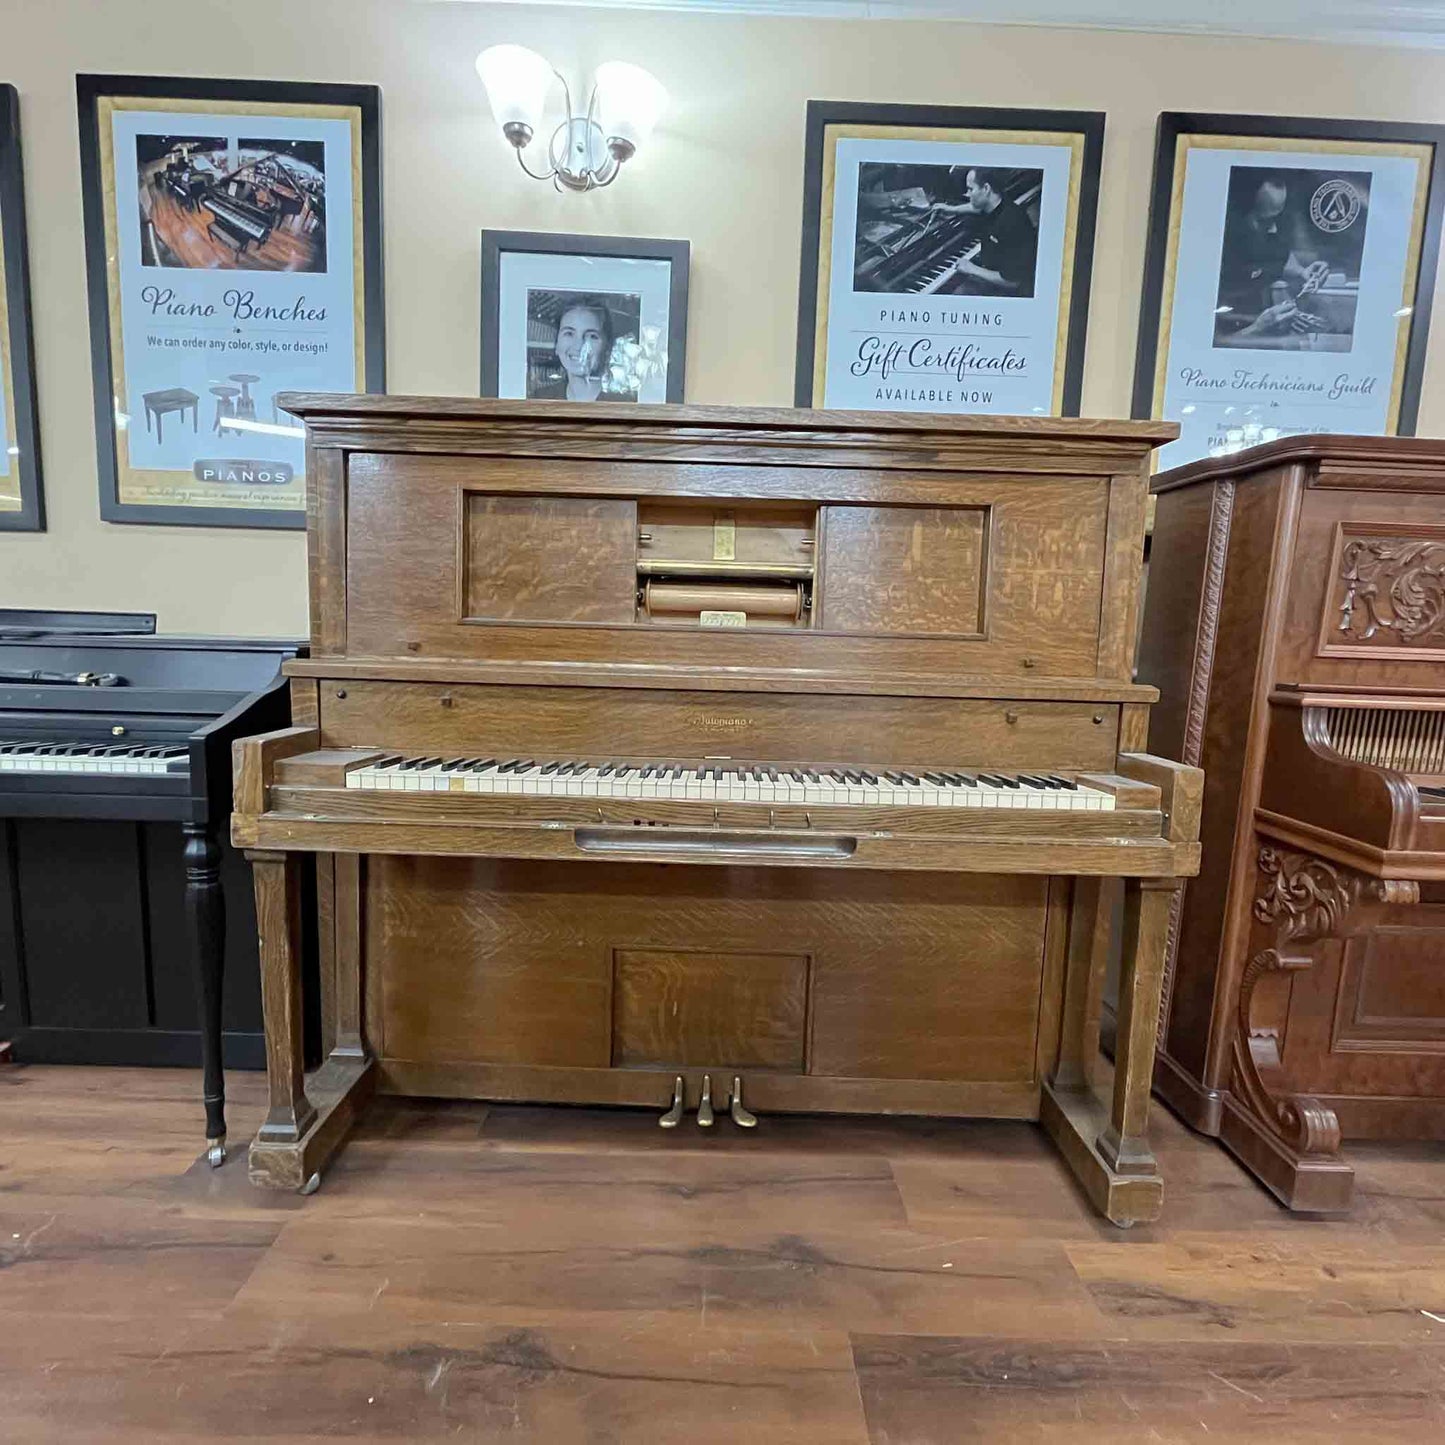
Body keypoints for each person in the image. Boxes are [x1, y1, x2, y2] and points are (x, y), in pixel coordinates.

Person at [1215, 175, 1332, 344]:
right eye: (1264, 220)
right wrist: (1257, 329)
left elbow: (1281, 259)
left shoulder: (1264, 237)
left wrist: (1303, 272)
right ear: (1234, 215)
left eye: (1277, 218)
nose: (1273, 229)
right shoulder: (1212, 260)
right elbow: (1203, 348)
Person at [927, 167, 1039, 295]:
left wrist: (972, 269)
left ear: (986, 189)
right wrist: (950, 209)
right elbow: (975, 208)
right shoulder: (997, 203)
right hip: (993, 267)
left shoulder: (1012, 223)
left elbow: (1013, 281)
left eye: (970, 189)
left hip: (1012, 288)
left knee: (958, 293)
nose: (967, 194)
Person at [529, 297, 636, 401]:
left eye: (591, 336)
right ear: (557, 344)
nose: (579, 345)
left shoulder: (625, 403)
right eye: (569, 333)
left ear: (607, 347)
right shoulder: (541, 398)